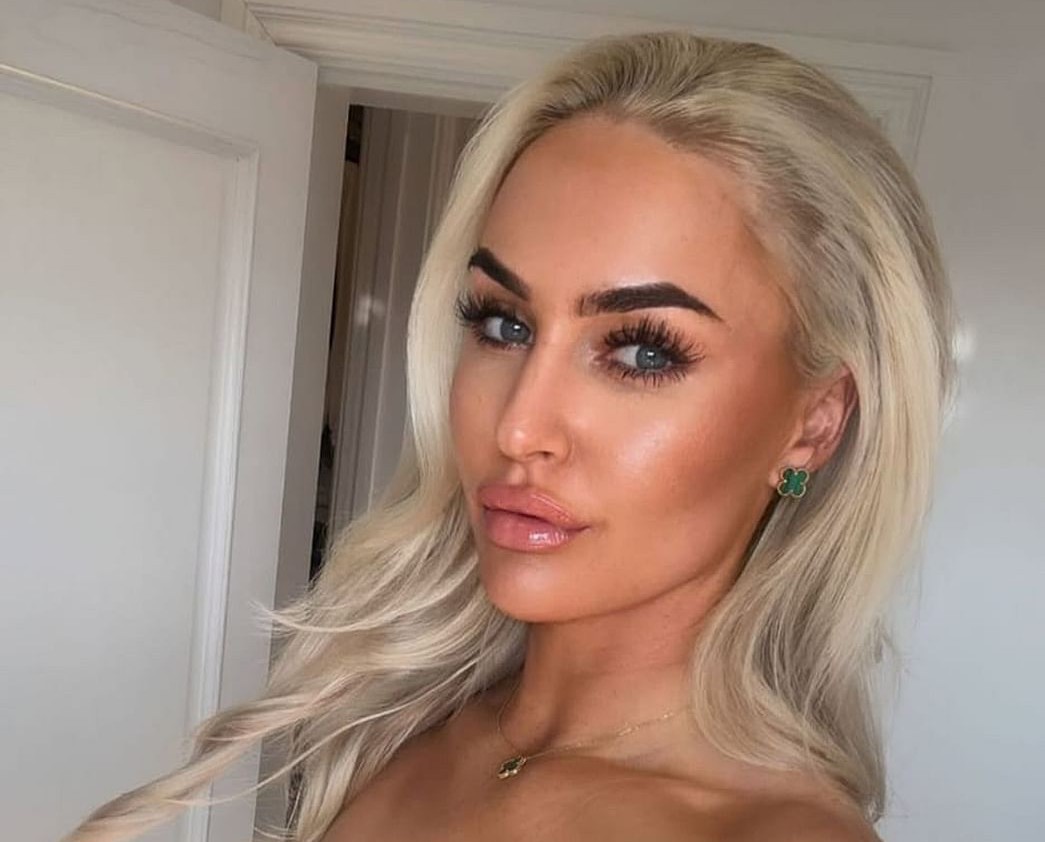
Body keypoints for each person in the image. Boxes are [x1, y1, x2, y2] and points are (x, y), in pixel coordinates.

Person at [64, 29, 958, 842]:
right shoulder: (400, 726)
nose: (518, 425)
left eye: (642, 351)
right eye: (502, 324)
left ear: (813, 423)